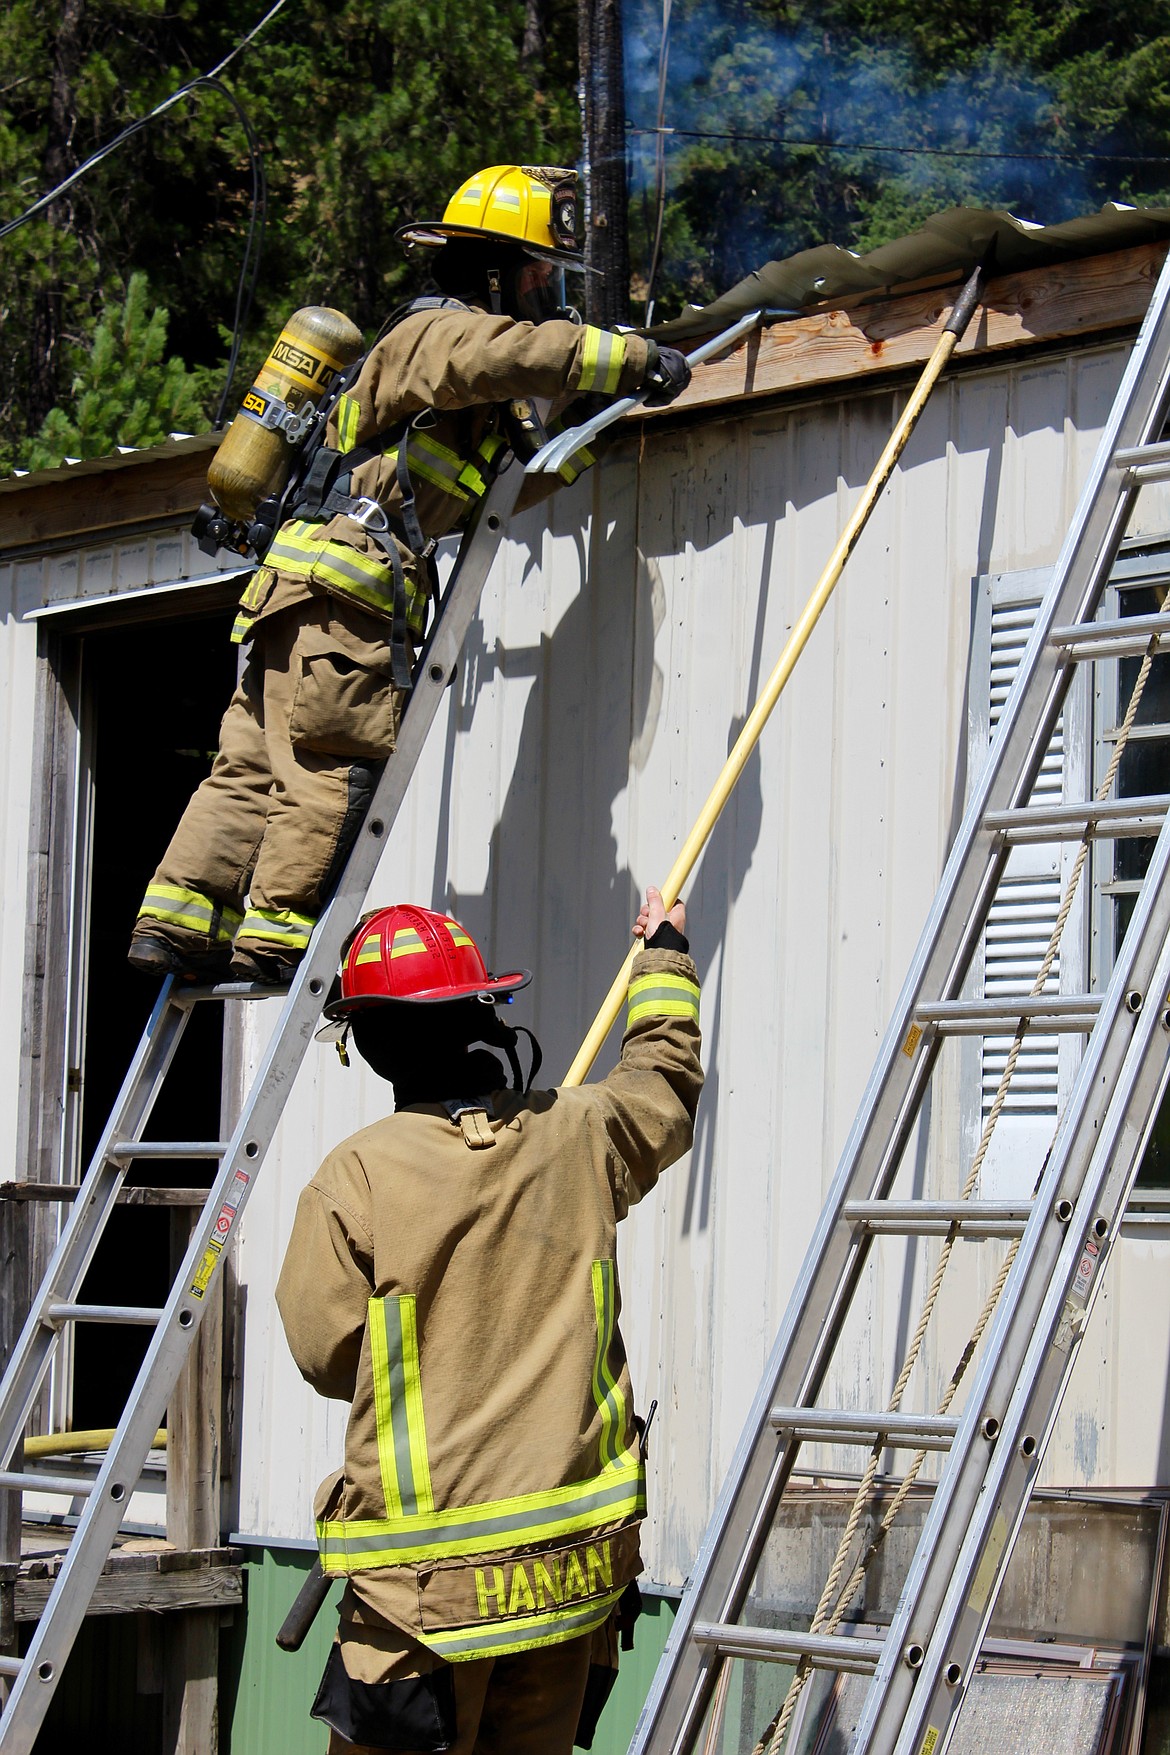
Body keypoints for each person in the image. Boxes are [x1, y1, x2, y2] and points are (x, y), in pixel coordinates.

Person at [128, 165, 692, 985]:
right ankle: (278, 935)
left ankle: (175, 922)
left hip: (296, 587)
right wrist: (634, 357)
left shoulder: (451, 384)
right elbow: (515, 354)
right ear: (493, 269)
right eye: (539, 270)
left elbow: (497, 489)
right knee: (330, 758)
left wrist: (585, 437)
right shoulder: (441, 335)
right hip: (353, 590)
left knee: (249, 762)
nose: (546, 289)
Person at [275, 885, 702, 1754]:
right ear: (484, 1013)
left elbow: (326, 1358)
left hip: (420, 1608)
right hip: (569, 1580)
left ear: (372, 1044)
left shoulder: (354, 1180)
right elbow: (662, 1085)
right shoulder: (578, 1134)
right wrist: (663, 955)